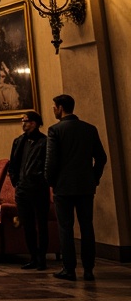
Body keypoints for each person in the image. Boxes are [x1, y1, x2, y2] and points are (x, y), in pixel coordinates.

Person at [46, 93, 107, 281]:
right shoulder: (89, 129)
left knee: (65, 227)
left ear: (61, 108)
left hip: (63, 187)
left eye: (54, 107)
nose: (54, 110)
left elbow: (51, 161)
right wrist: (93, 178)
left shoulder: (55, 130)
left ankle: (69, 269)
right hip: (85, 186)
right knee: (87, 227)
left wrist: (51, 182)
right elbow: (101, 158)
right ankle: (89, 269)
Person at [7, 109, 49, 271]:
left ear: (34, 123)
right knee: (28, 225)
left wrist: (40, 178)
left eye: (26, 121)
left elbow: (47, 164)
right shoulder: (19, 141)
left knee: (42, 225)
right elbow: (13, 164)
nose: (23, 124)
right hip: (22, 189)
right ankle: (33, 256)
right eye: (22, 121)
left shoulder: (44, 142)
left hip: (38, 189)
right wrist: (16, 181)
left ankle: (42, 258)